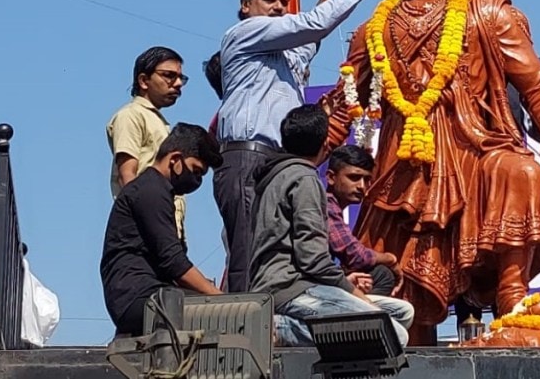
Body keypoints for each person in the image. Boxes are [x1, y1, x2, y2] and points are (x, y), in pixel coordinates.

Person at [319, 0, 540, 343]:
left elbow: (538, 82)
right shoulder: (373, 28)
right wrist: (300, 158)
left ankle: (512, 308)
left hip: (476, 149)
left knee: (520, 169)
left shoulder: (488, 12)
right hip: (406, 164)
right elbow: (343, 104)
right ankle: (411, 345)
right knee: (402, 300)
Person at [215, 0, 389, 293]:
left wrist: (324, 3)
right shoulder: (245, 32)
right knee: (247, 250)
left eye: (283, 3)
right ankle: (244, 328)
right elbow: (312, 27)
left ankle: (270, 326)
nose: (278, 8)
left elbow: (305, 48)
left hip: (275, 162)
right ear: (245, 6)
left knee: (275, 247)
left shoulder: (277, 50)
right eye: (269, 0)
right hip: (247, 155)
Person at [249, 105, 413, 347]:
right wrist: (357, 295)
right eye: (354, 178)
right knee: (393, 334)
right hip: (288, 290)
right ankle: (281, 329)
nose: (361, 186)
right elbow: (313, 261)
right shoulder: (304, 178)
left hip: (300, 286)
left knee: (402, 313)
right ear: (325, 145)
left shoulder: (277, 175)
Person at [100, 124, 223, 336]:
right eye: (196, 171)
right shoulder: (150, 191)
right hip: (137, 296)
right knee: (220, 316)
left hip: (145, 294)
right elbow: (173, 262)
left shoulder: (157, 191)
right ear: (175, 159)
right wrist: (218, 297)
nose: (197, 181)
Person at [106, 47, 189, 241]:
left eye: (180, 78)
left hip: (163, 230)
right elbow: (127, 176)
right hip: (145, 231)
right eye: (169, 76)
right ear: (143, 81)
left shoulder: (158, 122)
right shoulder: (131, 115)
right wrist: (150, 224)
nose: (177, 84)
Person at [326, 145, 401, 296]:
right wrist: (390, 259)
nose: (362, 186)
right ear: (331, 177)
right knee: (384, 276)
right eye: (354, 178)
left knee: (379, 274)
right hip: (302, 285)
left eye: (367, 180)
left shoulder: (333, 206)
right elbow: (355, 255)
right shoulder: (326, 205)